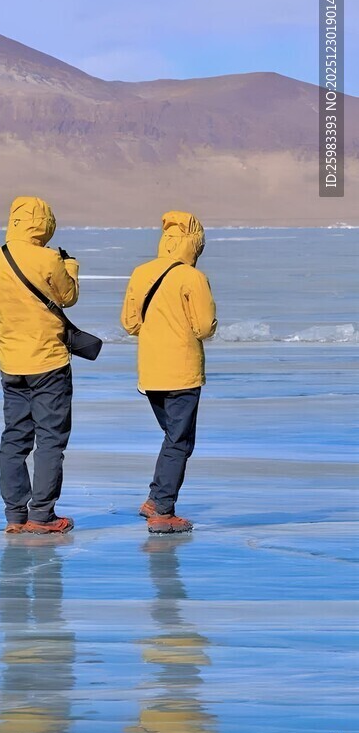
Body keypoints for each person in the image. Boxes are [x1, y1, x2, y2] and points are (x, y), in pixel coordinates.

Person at [0, 196, 79, 534]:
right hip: (47, 359)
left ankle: (15, 515)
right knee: (50, 438)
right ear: (44, 224)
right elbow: (68, 296)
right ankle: (42, 515)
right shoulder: (48, 258)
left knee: (14, 438)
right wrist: (71, 267)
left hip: (10, 360)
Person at [121, 211, 217, 533]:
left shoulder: (140, 273)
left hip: (150, 372)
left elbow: (130, 323)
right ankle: (163, 511)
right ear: (195, 244)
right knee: (179, 440)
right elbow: (204, 327)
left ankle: (155, 499)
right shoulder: (192, 277)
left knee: (174, 437)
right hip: (183, 371)